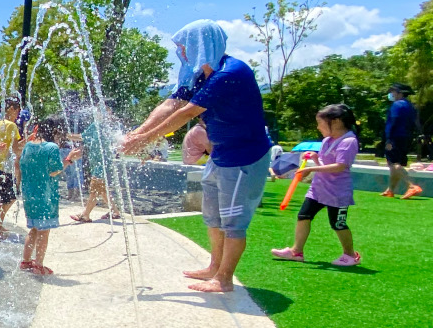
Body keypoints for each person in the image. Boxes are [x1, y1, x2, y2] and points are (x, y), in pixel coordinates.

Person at [123, 20, 271, 294]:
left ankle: (224, 278)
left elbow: (187, 113)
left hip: (244, 157)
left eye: (185, 46)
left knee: (233, 223)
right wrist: (137, 134)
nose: (181, 52)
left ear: (201, 45)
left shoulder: (229, 73)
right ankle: (214, 266)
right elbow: (171, 104)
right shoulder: (198, 77)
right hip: (221, 154)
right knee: (212, 217)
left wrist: (145, 140)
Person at [271, 104, 362, 266]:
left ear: (336, 122)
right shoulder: (327, 140)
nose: (318, 127)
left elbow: (340, 166)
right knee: (304, 216)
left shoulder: (348, 141)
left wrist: (313, 167)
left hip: (337, 191)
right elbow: (326, 163)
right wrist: (314, 159)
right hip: (319, 189)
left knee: (338, 223)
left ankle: (350, 255)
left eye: (320, 123)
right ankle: (296, 251)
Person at [18, 118, 64, 275]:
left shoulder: (28, 146)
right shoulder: (52, 147)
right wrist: (70, 159)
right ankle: (38, 265)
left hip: (29, 194)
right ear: (54, 131)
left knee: (34, 229)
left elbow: (21, 166)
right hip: (45, 195)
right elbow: (55, 170)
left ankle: (25, 262)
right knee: (44, 231)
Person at [70, 108, 120, 224]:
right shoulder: (98, 126)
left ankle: (85, 215)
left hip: (101, 164)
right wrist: (66, 136)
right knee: (102, 190)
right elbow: (83, 137)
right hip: (98, 163)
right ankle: (115, 211)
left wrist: (66, 135)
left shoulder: (105, 127)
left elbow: (81, 137)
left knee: (95, 189)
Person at [0, 98, 22, 240]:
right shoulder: (12, 126)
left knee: (7, 197)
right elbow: (16, 149)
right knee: (8, 199)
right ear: (12, 109)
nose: (18, 114)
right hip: (5, 166)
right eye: (17, 110)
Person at [383, 83, 422, 199]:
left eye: (393, 91)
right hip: (406, 137)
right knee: (395, 163)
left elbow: (393, 122)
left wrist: (388, 139)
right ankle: (390, 189)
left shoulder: (396, 105)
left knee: (394, 163)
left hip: (395, 137)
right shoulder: (410, 106)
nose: (391, 94)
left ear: (399, 93)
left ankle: (411, 185)